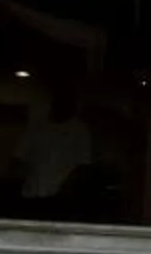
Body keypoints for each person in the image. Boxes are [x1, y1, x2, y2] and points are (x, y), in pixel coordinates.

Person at [14, 82, 96, 218]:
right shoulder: (37, 127)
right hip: (32, 192)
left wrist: (68, 188)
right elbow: (19, 157)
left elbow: (83, 164)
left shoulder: (80, 131)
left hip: (62, 196)